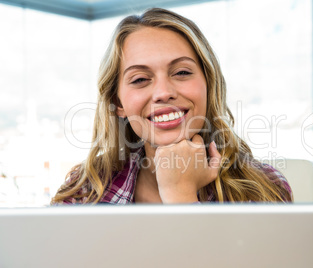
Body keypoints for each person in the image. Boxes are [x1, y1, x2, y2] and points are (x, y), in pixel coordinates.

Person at [51, 8, 293, 205]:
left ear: (208, 85)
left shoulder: (263, 189)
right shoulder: (82, 195)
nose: (164, 93)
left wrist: (180, 195)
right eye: (140, 79)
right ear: (118, 102)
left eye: (181, 72)